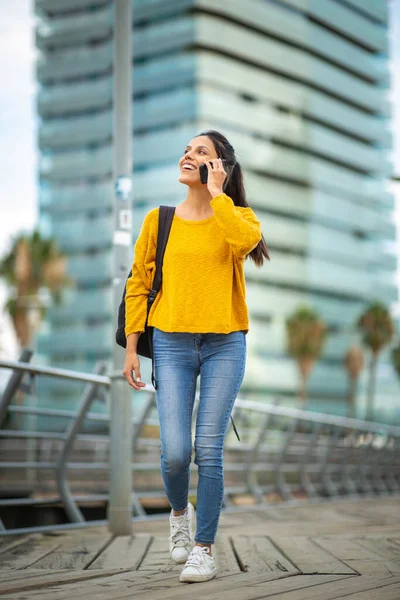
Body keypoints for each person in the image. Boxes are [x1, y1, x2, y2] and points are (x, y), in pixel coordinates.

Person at [122, 130, 269, 583]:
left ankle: (203, 549)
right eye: (187, 149)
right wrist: (132, 346)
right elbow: (138, 284)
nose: (188, 155)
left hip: (226, 342)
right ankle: (177, 513)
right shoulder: (158, 219)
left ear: (219, 165)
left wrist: (218, 194)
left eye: (200, 152)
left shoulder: (236, 217)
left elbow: (244, 244)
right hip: (170, 342)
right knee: (174, 454)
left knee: (208, 450)